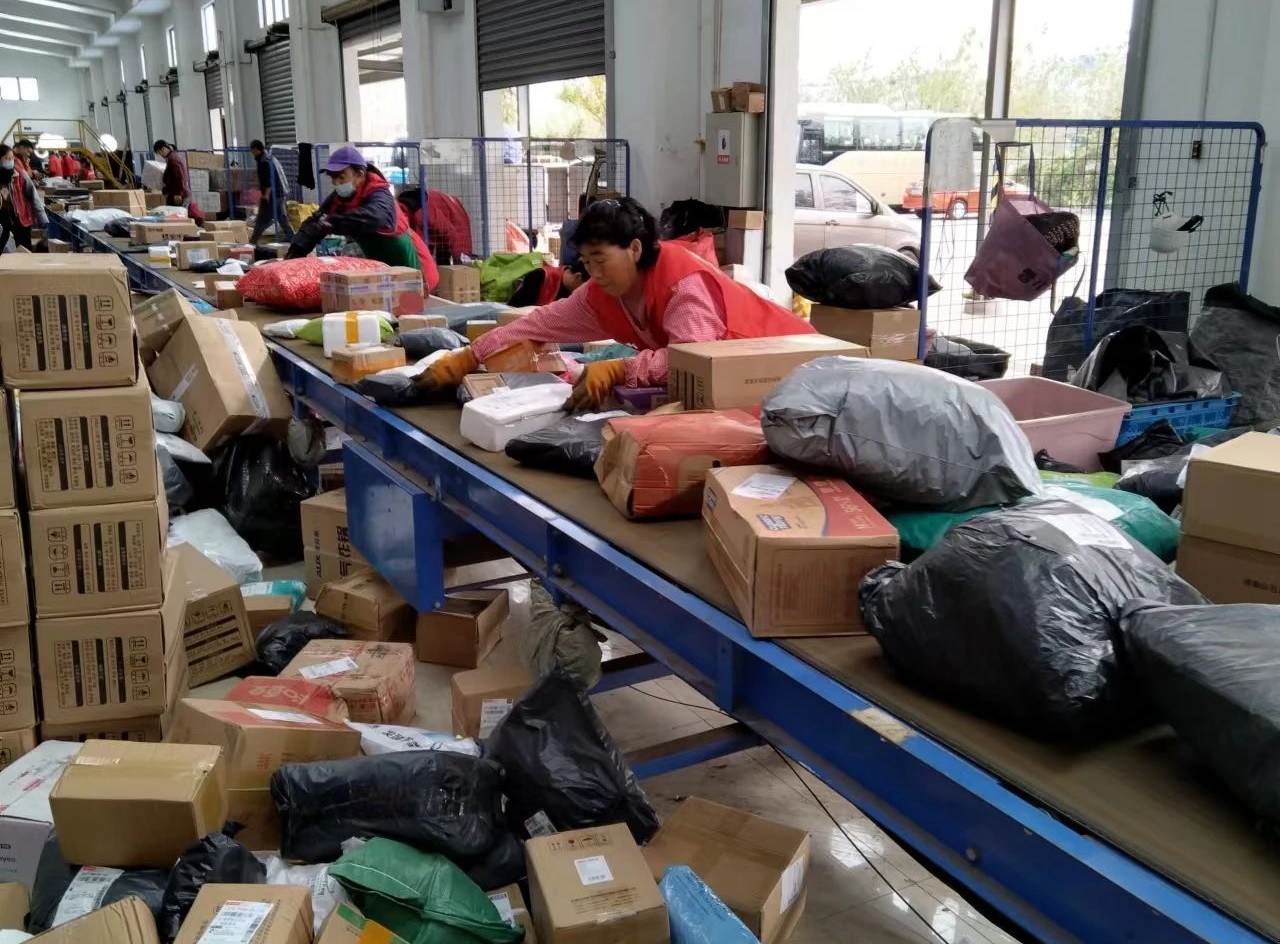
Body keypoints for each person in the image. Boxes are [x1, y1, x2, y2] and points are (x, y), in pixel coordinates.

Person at [420, 196, 814, 409]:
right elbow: (538, 324)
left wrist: (620, 369)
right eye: (586, 262)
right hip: (733, 386)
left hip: (796, 372)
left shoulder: (684, 288)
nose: (594, 272)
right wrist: (470, 356)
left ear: (635, 249)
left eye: (601, 259)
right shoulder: (601, 293)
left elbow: (690, 358)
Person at [287, 145, 440, 291]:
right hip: (386, 274)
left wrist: (331, 224)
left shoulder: (380, 194)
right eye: (333, 178)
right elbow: (315, 224)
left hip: (416, 271)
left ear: (360, 175)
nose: (336, 183)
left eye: (341, 177)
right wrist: (295, 253)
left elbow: (375, 218)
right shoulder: (337, 199)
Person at [0, 145, 47, 253]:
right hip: (3, 218)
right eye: (7, 158)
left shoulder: (20, 175)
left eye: (12, 158)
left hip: (20, 218)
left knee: (24, 247)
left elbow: (34, 196)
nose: (11, 161)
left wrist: (42, 218)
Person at [248, 139, 295, 243]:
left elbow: (268, 181)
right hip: (281, 192)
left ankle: (253, 241)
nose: (252, 154)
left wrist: (266, 196)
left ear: (257, 150)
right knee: (281, 217)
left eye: (252, 151)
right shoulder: (271, 158)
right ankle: (292, 237)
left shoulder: (264, 161)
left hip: (273, 194)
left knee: (262, 219)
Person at [152, 139, 205, 225]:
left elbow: (179, 176)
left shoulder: (173, 159)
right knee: (179, 217)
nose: (160, 155)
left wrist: (178, 193)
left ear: (163, 149)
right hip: (179, 193)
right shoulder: (174, 156)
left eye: (159, 152)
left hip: (179, 195)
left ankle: (185, 231)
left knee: (180, 218)